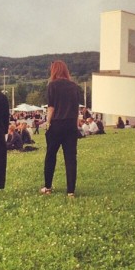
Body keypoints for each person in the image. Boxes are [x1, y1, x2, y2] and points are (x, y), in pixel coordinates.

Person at [40, 59, 82, 198]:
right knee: (70, 158)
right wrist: (76, 127)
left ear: (54, 71)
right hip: (70, 124)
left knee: (51, 155)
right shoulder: (74, 86)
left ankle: (47, 187)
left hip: (56, 124)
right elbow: (76, 110)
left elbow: (51, 107)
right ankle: (71, 191)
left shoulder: (52, 86)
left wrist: (48, 122)